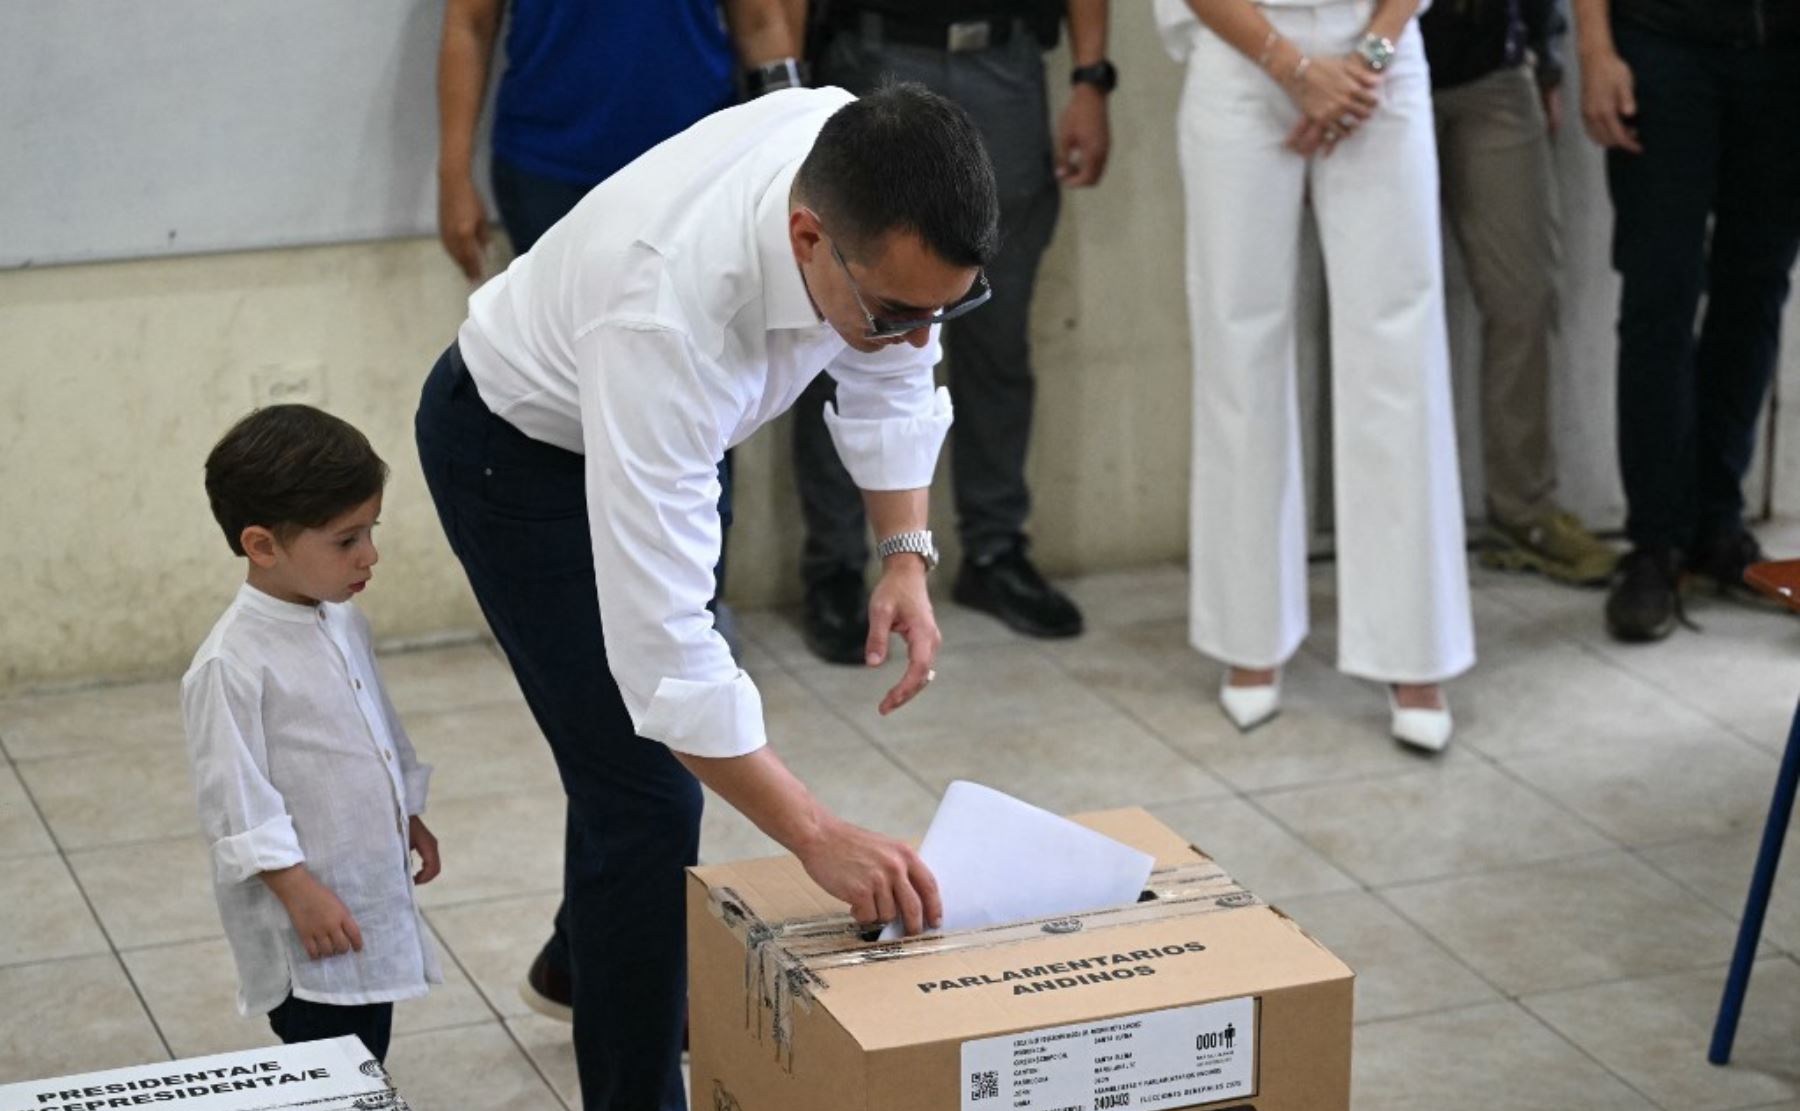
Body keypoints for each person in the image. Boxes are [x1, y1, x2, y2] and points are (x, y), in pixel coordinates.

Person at [414, 83, 995, 1111]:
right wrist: (816, 835)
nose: (916, 335)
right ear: (807, 239)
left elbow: (893, 365)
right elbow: (667, 658)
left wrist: (904, 554)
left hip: (663, 428)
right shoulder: (666, 314)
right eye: (891, 309)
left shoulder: (872, 168)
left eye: (946, 311)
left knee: (636, 774)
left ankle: (584, 959)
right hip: (518, 456)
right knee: (644, 788)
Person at [434, 0, 806, 1026]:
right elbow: (469, 24)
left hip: (699, 165)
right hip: (555, 167)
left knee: (652, 668)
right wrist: (452, 166)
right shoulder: (643, 310)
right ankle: (626, 1039)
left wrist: (790, 138)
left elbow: (768, 20)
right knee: (637, 740)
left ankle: (582, 952)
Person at [1157, 0, 1476, 752]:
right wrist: (1293, 69)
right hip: (1239, 54)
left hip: (1381, 59)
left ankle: (1415, 650)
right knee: (1239, 339)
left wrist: (1365, 61)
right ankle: (1250, 631)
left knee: (1398, 341)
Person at [790, 0, 1115, 663]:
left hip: (1004, 61)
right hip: (876, 59)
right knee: (845, 331)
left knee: (997, 336)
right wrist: (788, 85)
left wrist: (1091, 77)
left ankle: (994, 548)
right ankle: (837, 566)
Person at [182, 405, 442, 1067]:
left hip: (363, 898)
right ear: (263, 545)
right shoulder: (231, 663)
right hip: (310, 924)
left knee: (367, 1052)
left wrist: (407, 810)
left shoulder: (343, 618)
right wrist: (297, 888)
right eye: (346, 539)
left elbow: (378, 725)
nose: (370, 554)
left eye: (371, 530)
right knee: (330, 1069)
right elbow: (236, 799)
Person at [1574, 0, 1800, 642]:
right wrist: (1595, 49)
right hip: (1661, 46)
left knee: (1757, 287)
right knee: (1659, 291)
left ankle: (1717, 526)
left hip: (1784, 58)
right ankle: (1656, 544)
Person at [1424, 0, 1618, 586]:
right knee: (1383, 309)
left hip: (1494, 73)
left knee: (1523, 298)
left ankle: (1523, 512)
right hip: (1376, 71)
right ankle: (1386, 518)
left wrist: (1547, 58)